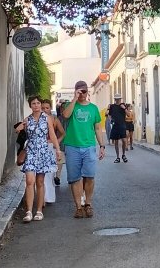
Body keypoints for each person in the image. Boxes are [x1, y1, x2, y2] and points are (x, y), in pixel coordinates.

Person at [15, 95, 62, 223]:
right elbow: (19, 132)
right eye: (33, 103)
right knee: (30, 181)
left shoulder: (47, 118)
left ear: (40, 104)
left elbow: (52, 134)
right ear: (30, 105)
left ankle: (39, 210)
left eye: (38, 103)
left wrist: (57, 150)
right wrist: (19, 128)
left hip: (43, 152)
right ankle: (29, 211)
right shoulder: (27, 120)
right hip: (30, 152)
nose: (36, 105)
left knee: (40, 182)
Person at [62, 80, 106, 217]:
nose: (82, 94)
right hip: (72, 146)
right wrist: (74, 98)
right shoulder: (70, 105)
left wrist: (102, 145)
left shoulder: (93, 108)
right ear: (75, 91)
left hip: (89, 146)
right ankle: (78, 207)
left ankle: (88, 203)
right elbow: (65, 115)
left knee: (90, 176)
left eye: (84, 91)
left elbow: (97, 128)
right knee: (75, 178)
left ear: (88, 92)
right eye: (79, 91)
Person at [107, 94, 129, 161]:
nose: (117, 100)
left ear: (120, 99)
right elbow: (109, 115)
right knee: (116, 141)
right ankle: (117, 157)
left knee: (124, 140)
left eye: (118, 99)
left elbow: (128, 114)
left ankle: (123, 155)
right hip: (115, 125)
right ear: (115, 99)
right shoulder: (112, 106)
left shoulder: (123, 105)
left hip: (122, 125)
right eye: (116, 99)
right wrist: (111, 120)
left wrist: (124, 108)